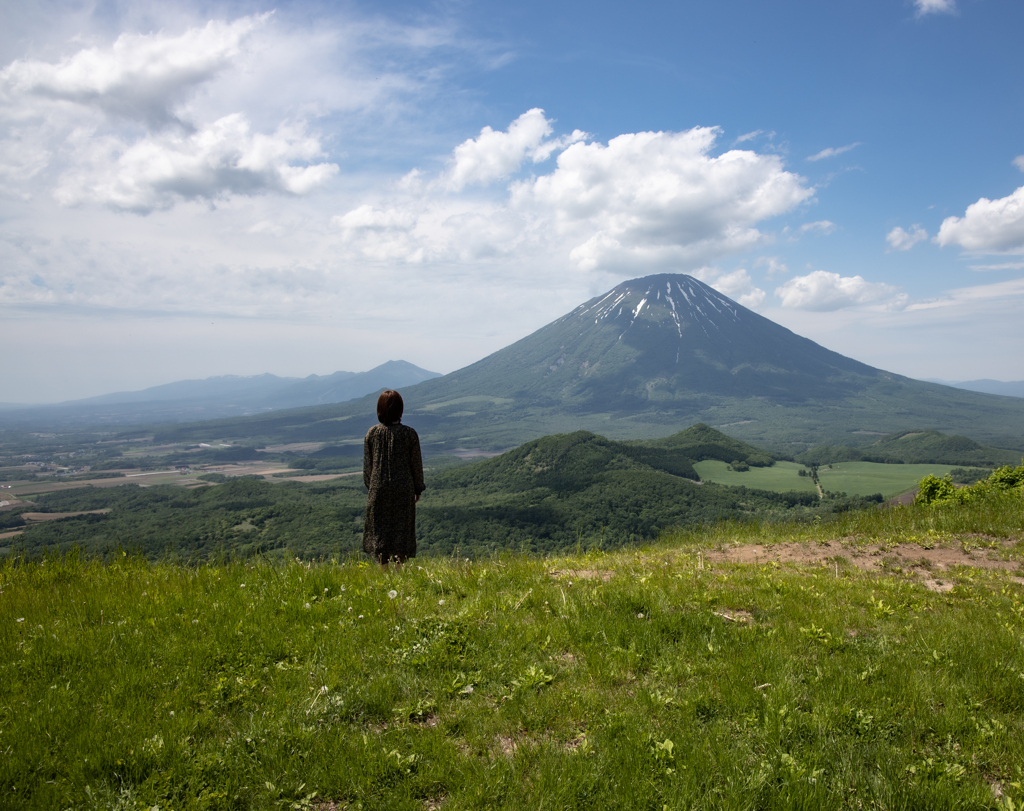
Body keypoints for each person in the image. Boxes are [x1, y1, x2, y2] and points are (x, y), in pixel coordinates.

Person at [362, 390, 425, 565]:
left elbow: (368, 467)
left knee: (380, 532)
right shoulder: (409, 434)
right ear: (400, 409)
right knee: (401, 532)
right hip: (404, 488)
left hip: (378, 488)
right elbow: (416, 465)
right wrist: (418, 488)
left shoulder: (372, 433)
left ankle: (384, 574)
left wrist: (373, 487)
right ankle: (398, 573)